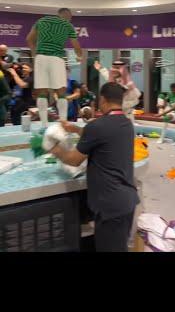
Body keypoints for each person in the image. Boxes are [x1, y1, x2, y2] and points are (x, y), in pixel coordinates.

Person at [49, 82, 140, 252]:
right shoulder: (127, 124)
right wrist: (75, 129)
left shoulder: (96, 127)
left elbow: (73, 159)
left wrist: (52, 147)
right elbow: (102, 136)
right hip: (127, 200)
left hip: (110, 205)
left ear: (103, 99)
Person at [26, 8, 83, 127]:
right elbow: (76, 45)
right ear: (68, 16)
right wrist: (79, 56)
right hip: (57, 58)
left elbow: (29, 39)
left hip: (41, 57)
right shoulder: (68, 25)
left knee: (42, 92)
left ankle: (44, 125)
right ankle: (63, 123)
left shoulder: (42, 21)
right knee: (61, 92)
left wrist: (34, 54)